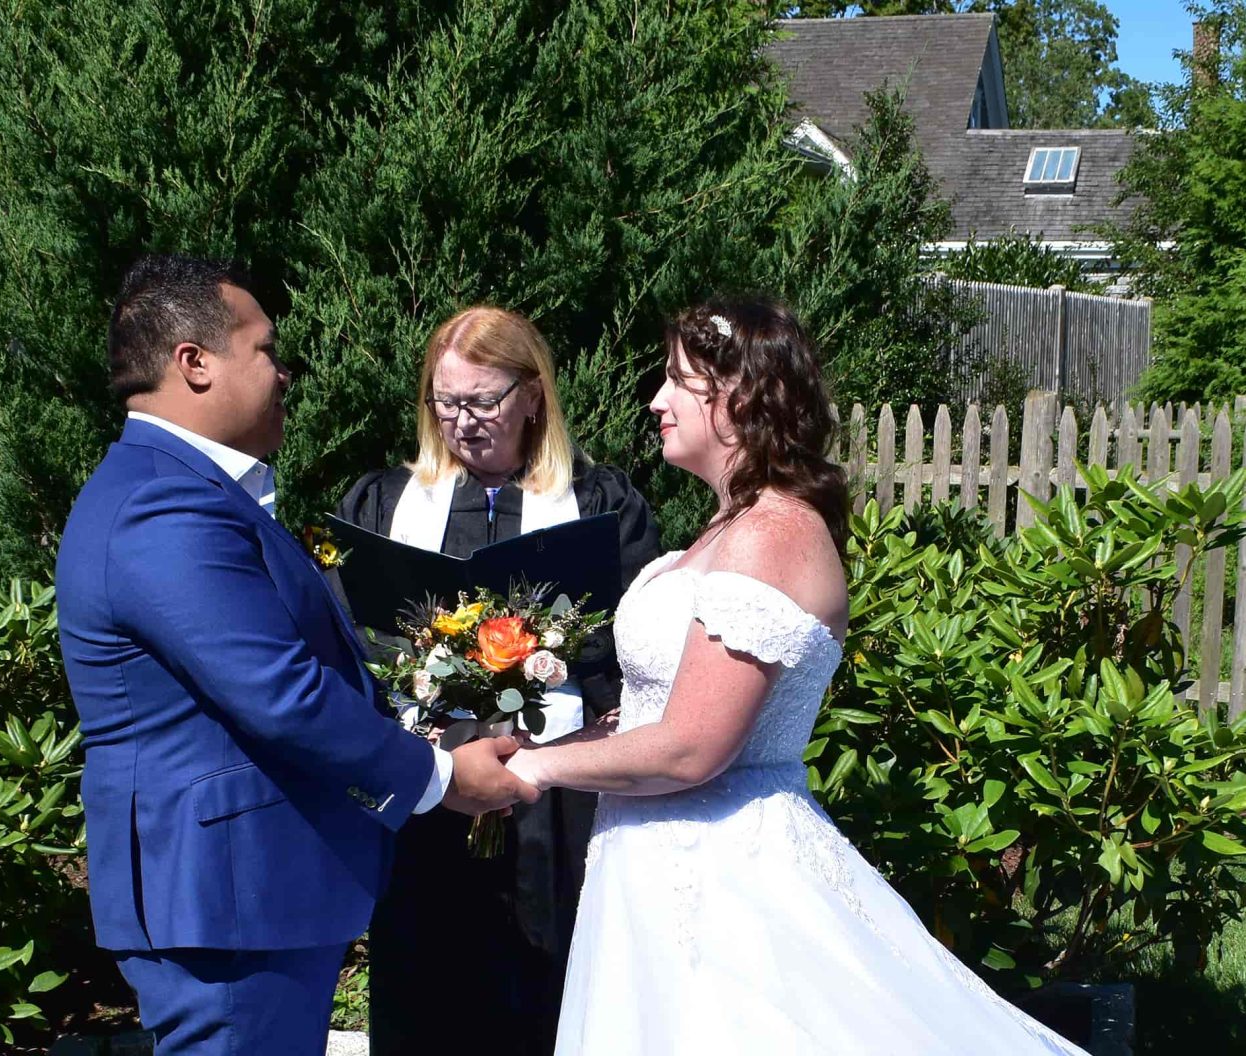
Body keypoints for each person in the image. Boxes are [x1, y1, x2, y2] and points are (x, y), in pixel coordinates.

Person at [505, 295, 1089, 1055]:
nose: (656, 400)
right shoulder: (725, 530)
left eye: (678, 382)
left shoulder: (773, 535)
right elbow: (660, 714)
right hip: (654, 865)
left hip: (726, 878)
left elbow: (691, 749)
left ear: (740, 395)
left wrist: (538, 767)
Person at [53, 255, 539, 1056]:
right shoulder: (162, 503)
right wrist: (443, 778)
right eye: (267, 350)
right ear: (194, 363)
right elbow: (278, 692)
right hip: (227, 896)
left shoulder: (180, 491)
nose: (286, 373)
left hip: (244, 895)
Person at [334, 305, 659, 1056]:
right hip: (430, 782)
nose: (463, 421)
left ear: (533, 395)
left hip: (559, 788)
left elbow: (638, 631)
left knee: (552, 980)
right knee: (430, 987)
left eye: (484, 401)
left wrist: (540, 655)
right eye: (446, 402)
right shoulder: (384, 501)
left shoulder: (602, 502)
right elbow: (353, 628)